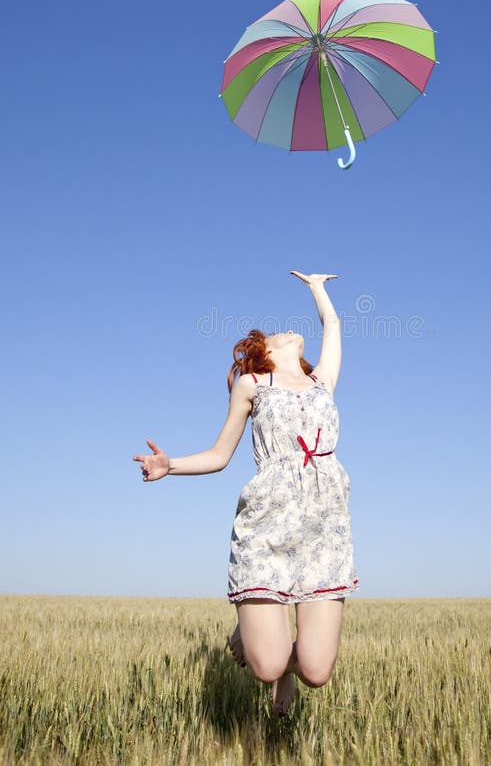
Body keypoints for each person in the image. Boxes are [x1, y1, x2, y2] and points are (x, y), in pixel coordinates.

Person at [132, 272, 358, 716]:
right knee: (266, 666)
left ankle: (284, 662)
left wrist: (317, 287)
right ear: (265, 352)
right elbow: (220, 454)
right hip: (267, 526)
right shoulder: (253, 385)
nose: (295, 332)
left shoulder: (323, 384)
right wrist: (170, 464)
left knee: (316, 671)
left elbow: (332, 326)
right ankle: (257, 636)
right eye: (280, 333)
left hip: (324, 530)